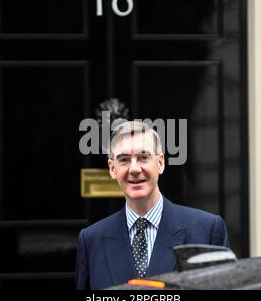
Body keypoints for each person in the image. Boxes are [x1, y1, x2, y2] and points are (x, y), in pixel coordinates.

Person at [75, 121, 229, 290]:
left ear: (160, 163)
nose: (134, 169)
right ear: (112, 169)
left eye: (143, 157)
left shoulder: (207, 231)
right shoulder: (92, 240)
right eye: (124, 159)